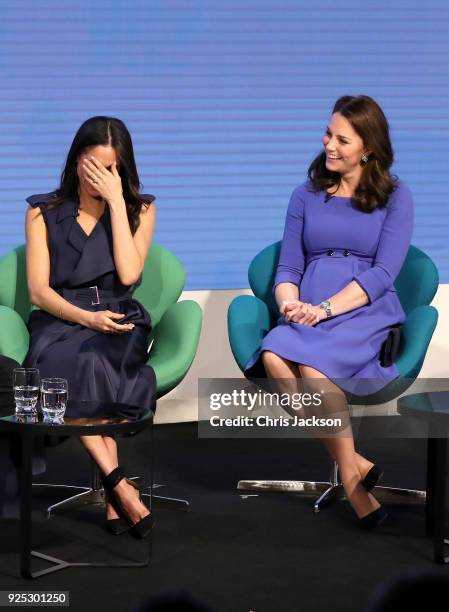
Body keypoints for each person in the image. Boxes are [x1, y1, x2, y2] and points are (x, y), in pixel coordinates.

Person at [245, 95, 413, 527]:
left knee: (314, 372)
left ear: (368, 147)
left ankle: (356, 491)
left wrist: (324, 309)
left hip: (363, 307)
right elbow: (288, 266)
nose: (329, 145)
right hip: (307, 306)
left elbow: (384, 274)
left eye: (342, 139)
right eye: (328, 134)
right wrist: (290, 304)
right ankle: (354, 460)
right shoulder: (305, 195)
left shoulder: (396, 196)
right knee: (273, 357)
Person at [23, 116, 157, 537]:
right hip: (63, 316)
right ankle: (119, 485)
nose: (99, 174)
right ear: (76, 159)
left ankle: (114, 489)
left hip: (118, 316)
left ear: (123, 168)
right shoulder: (42, 212)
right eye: (91, 164)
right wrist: (84, 318)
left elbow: (130, 273)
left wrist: (117, 203)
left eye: (110, 167)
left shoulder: (142, 210)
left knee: (94, 359)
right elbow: (39, 292)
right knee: (71, 363)